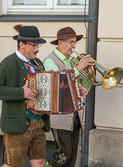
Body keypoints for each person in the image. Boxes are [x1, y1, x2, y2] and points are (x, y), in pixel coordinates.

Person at [0, 24, 50, 167]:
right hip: (18, 124)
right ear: (21, 44)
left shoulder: (37, 63)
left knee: (39, 163)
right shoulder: (9, 63)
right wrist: (22, 92)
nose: (37, 49)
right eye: (33, 45)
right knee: (13, 165)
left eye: (38, 45)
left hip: (38, 123)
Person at [45, 27, 91, 167]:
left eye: (75, 42)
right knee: (63, 154)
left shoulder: (72, 60)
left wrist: (87, 78)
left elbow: (80, 85)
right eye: (70, 42)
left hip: (75, 113)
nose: (74, 46)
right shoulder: (50, 60)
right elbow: (58, 83)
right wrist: (79, 69)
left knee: (72, 157)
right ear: (60, 42)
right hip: (59, 115)